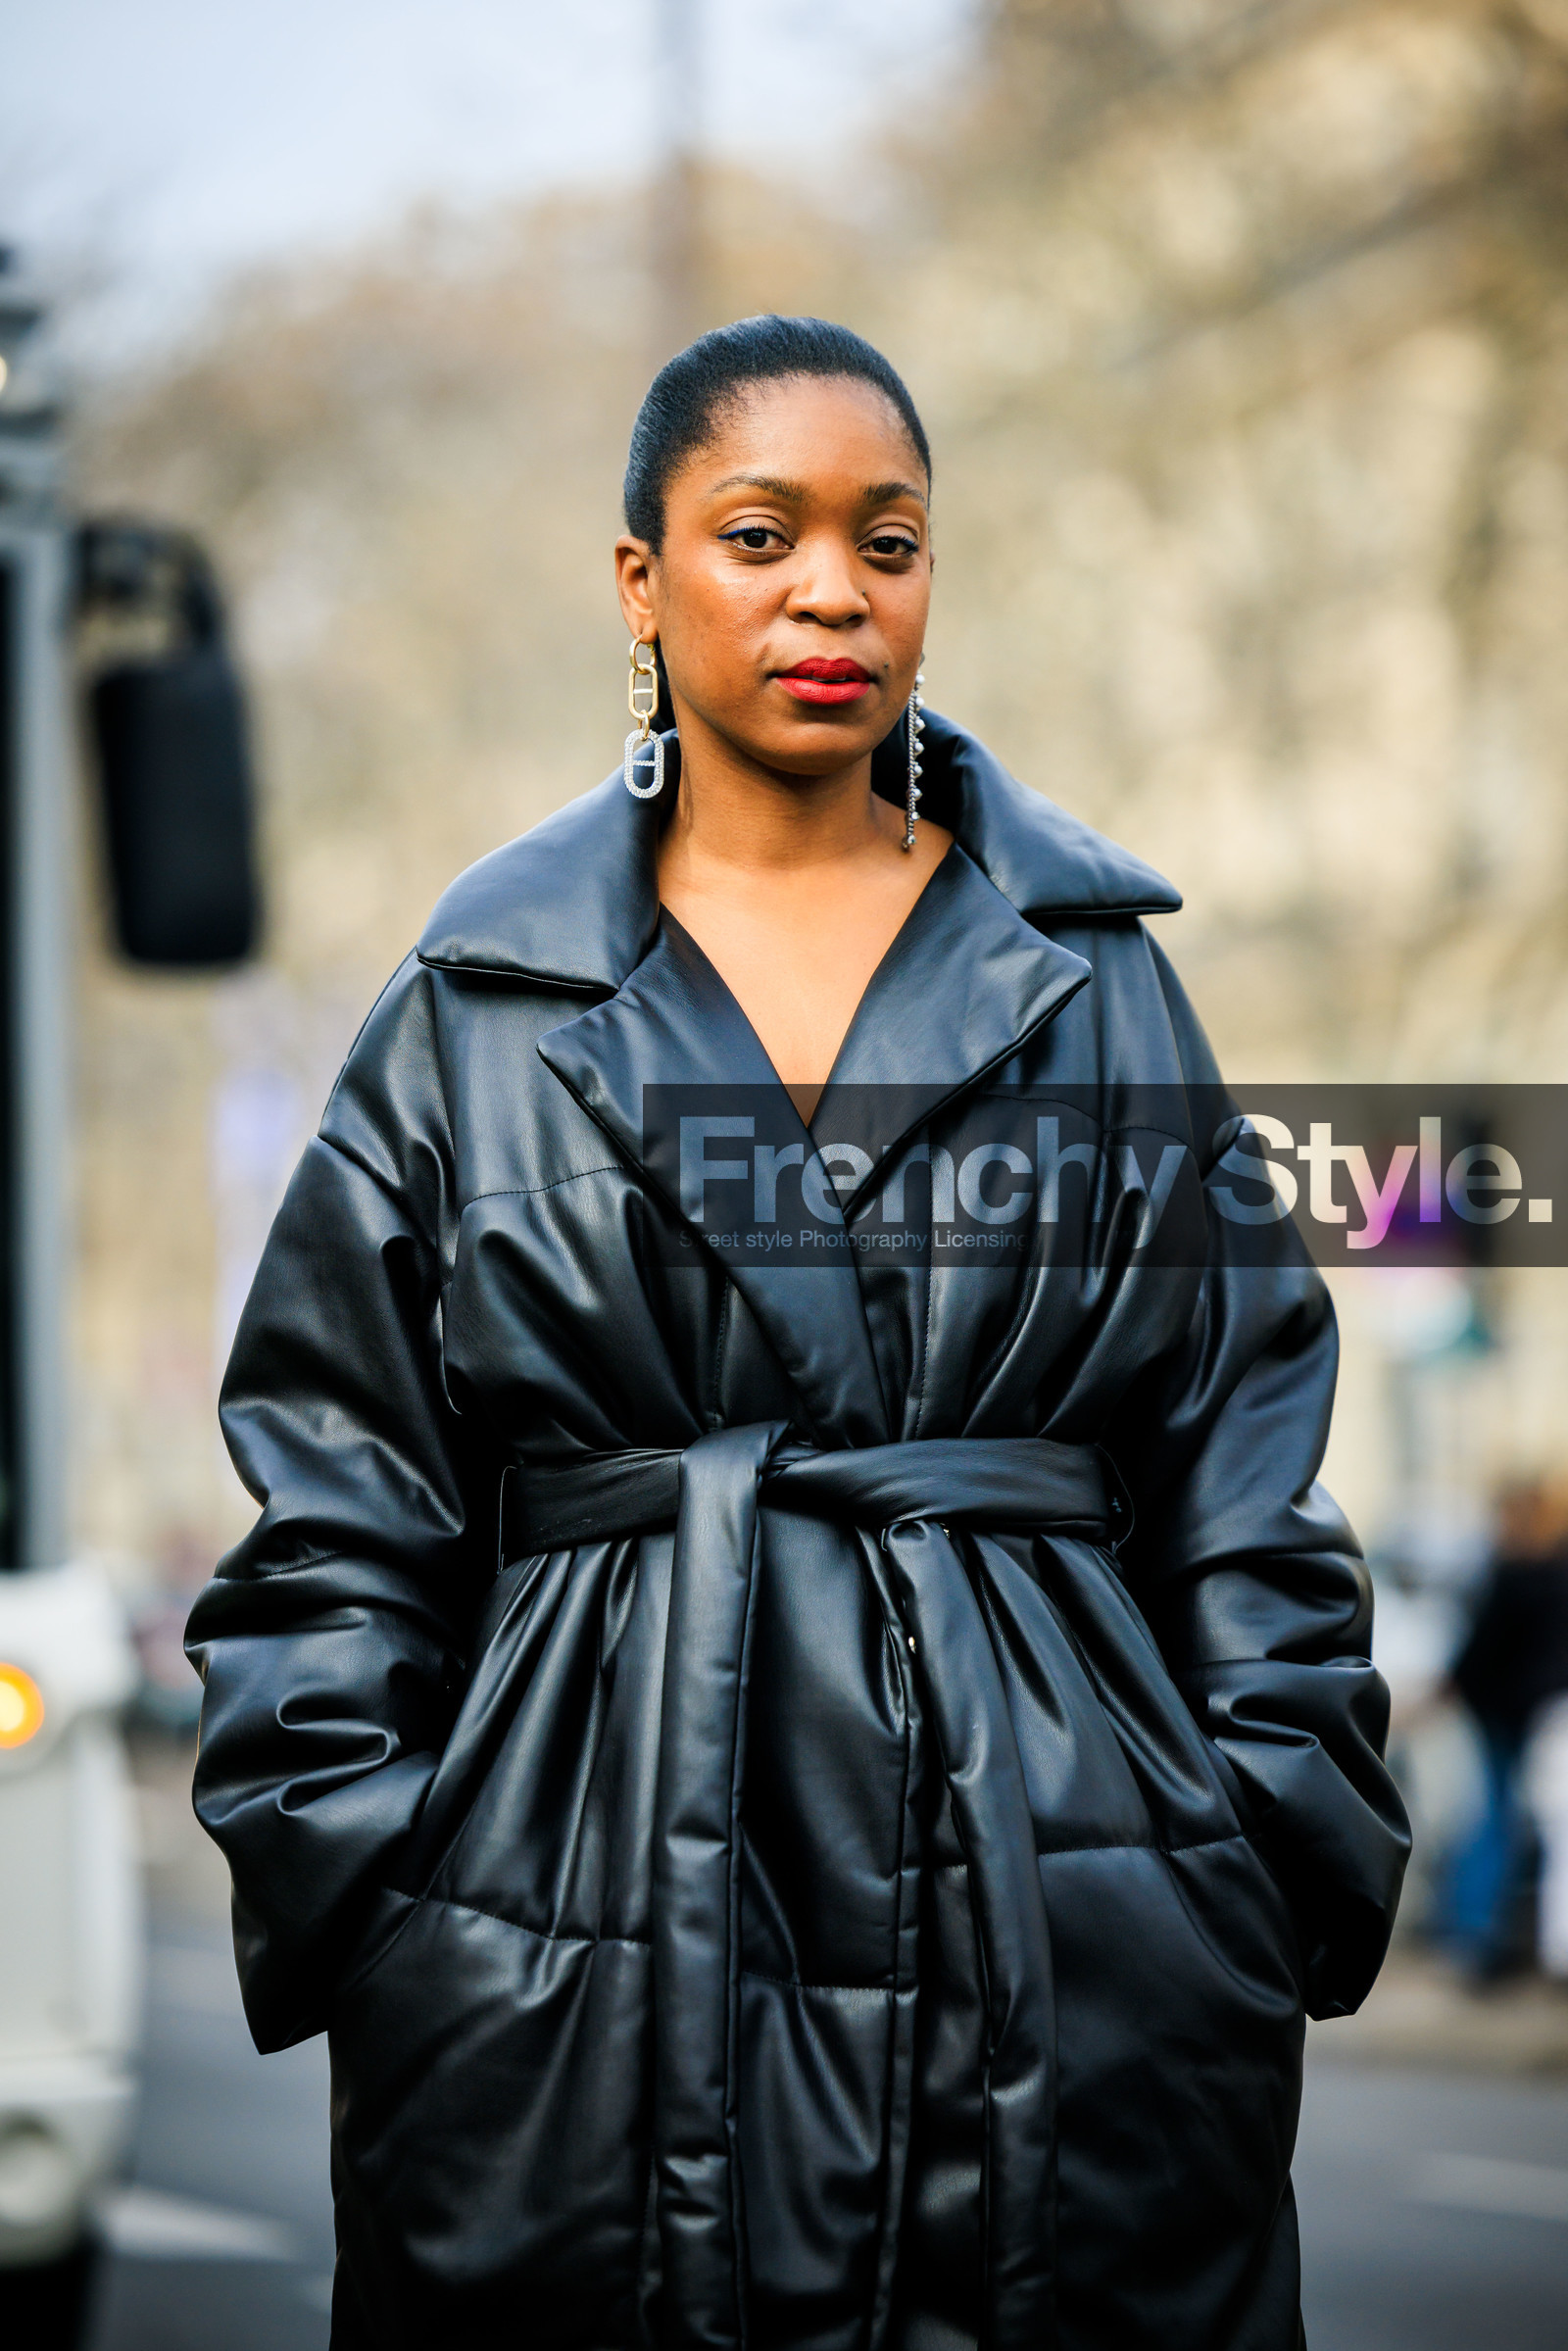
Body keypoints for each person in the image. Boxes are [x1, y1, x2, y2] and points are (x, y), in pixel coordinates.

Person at [185, 316, 1409, 2351]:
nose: (832, 590)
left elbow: (1240, 1453)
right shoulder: (477, 1006)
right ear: (640, 579)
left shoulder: (1094, 982)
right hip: (567, 1942)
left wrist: (1252, 1848)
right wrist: (393, 1891)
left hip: (1069, 1918)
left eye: (887, 540)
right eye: (759, 535)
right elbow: (340, 1504)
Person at [1450, 1479, 1568, 1981]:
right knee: (1523, 1825)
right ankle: (1499, 1935)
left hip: (1508, 1718)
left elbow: (1478, 1653)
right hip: (1532, 1715)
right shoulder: (1551, 1570)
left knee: (1497, 1821)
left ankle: (1482, 1935)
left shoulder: (1513, 1572)